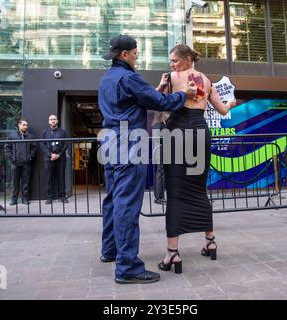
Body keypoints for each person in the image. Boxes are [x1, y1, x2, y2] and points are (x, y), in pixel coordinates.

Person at [98, 34, 198, 284]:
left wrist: (160, 89)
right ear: (124, 55)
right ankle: (128, 267)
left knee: (112, 199)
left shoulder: (108, 79)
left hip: (110, 140)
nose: (137, 56)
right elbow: (161, 102)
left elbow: (139, 101)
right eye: (135, 52)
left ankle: (110, 251)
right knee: (127, 205)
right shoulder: (129, 77)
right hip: (128, 142)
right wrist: (183, 94)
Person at [156, 44, 236, 274]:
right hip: (201, 132)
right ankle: (210, 241)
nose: (172, 65)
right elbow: (222, 111)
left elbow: (158, 101)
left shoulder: (172, 77)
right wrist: (230, 103)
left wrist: (161, 87)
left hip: (177, 131)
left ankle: (173, 252)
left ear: (188, 58)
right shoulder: (208, 81)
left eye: (175, 60)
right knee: (200, 188)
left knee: (176, 190)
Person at [4, 118, 37, 205]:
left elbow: (34, 148)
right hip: (15, 163)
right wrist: (11, 158)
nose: (25, 126)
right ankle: (14, 199)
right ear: (19, 125)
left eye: (26, 125)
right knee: (14, 182)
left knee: (25, 182)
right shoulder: (12, 135)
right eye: (24, 125)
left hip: (26, 162)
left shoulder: (30, 136)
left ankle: (25, 199)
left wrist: (30, 157)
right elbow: (7, 147)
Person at [40, 114, 68, 204]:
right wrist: (50, 154)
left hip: (60, 159)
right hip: (49, 159)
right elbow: (42, 145)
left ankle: (62, 196)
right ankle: (49, 197)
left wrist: (58, 155)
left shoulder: (63, 132)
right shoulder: (44, 132)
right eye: (51, 119)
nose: (52, 121)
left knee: (61, 177)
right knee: (49, 178)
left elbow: (65, 144)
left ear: (57, 121)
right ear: (49, 121)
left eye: (54, 119)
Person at [151, 111, 170, 204]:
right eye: (167, 114)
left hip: (160, 150)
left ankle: (159, 196)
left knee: (160, 173)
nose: (168, 116)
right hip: (160, 150)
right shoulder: (159, 125)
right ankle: (159, 197)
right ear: (162, 115)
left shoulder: (158, 124)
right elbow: (158, 140)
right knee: (160, 173)